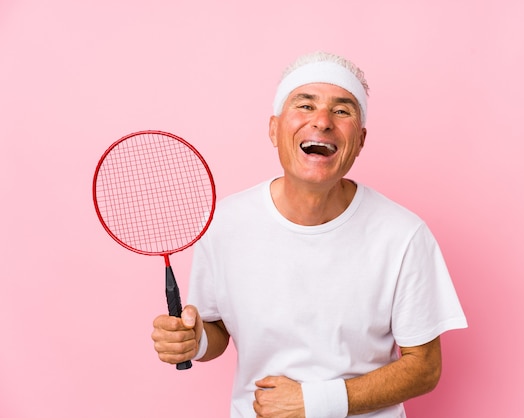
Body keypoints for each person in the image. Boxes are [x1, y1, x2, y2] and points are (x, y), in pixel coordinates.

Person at [152, 51, 467, 418]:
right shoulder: (223, 222)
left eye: (342, 110)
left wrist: (315, 402)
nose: (322, 121)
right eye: (305, 104)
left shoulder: (404, 235)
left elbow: (424, 368)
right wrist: (194, 340)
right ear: (273, 128)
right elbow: (216, 328)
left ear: (360, 140)